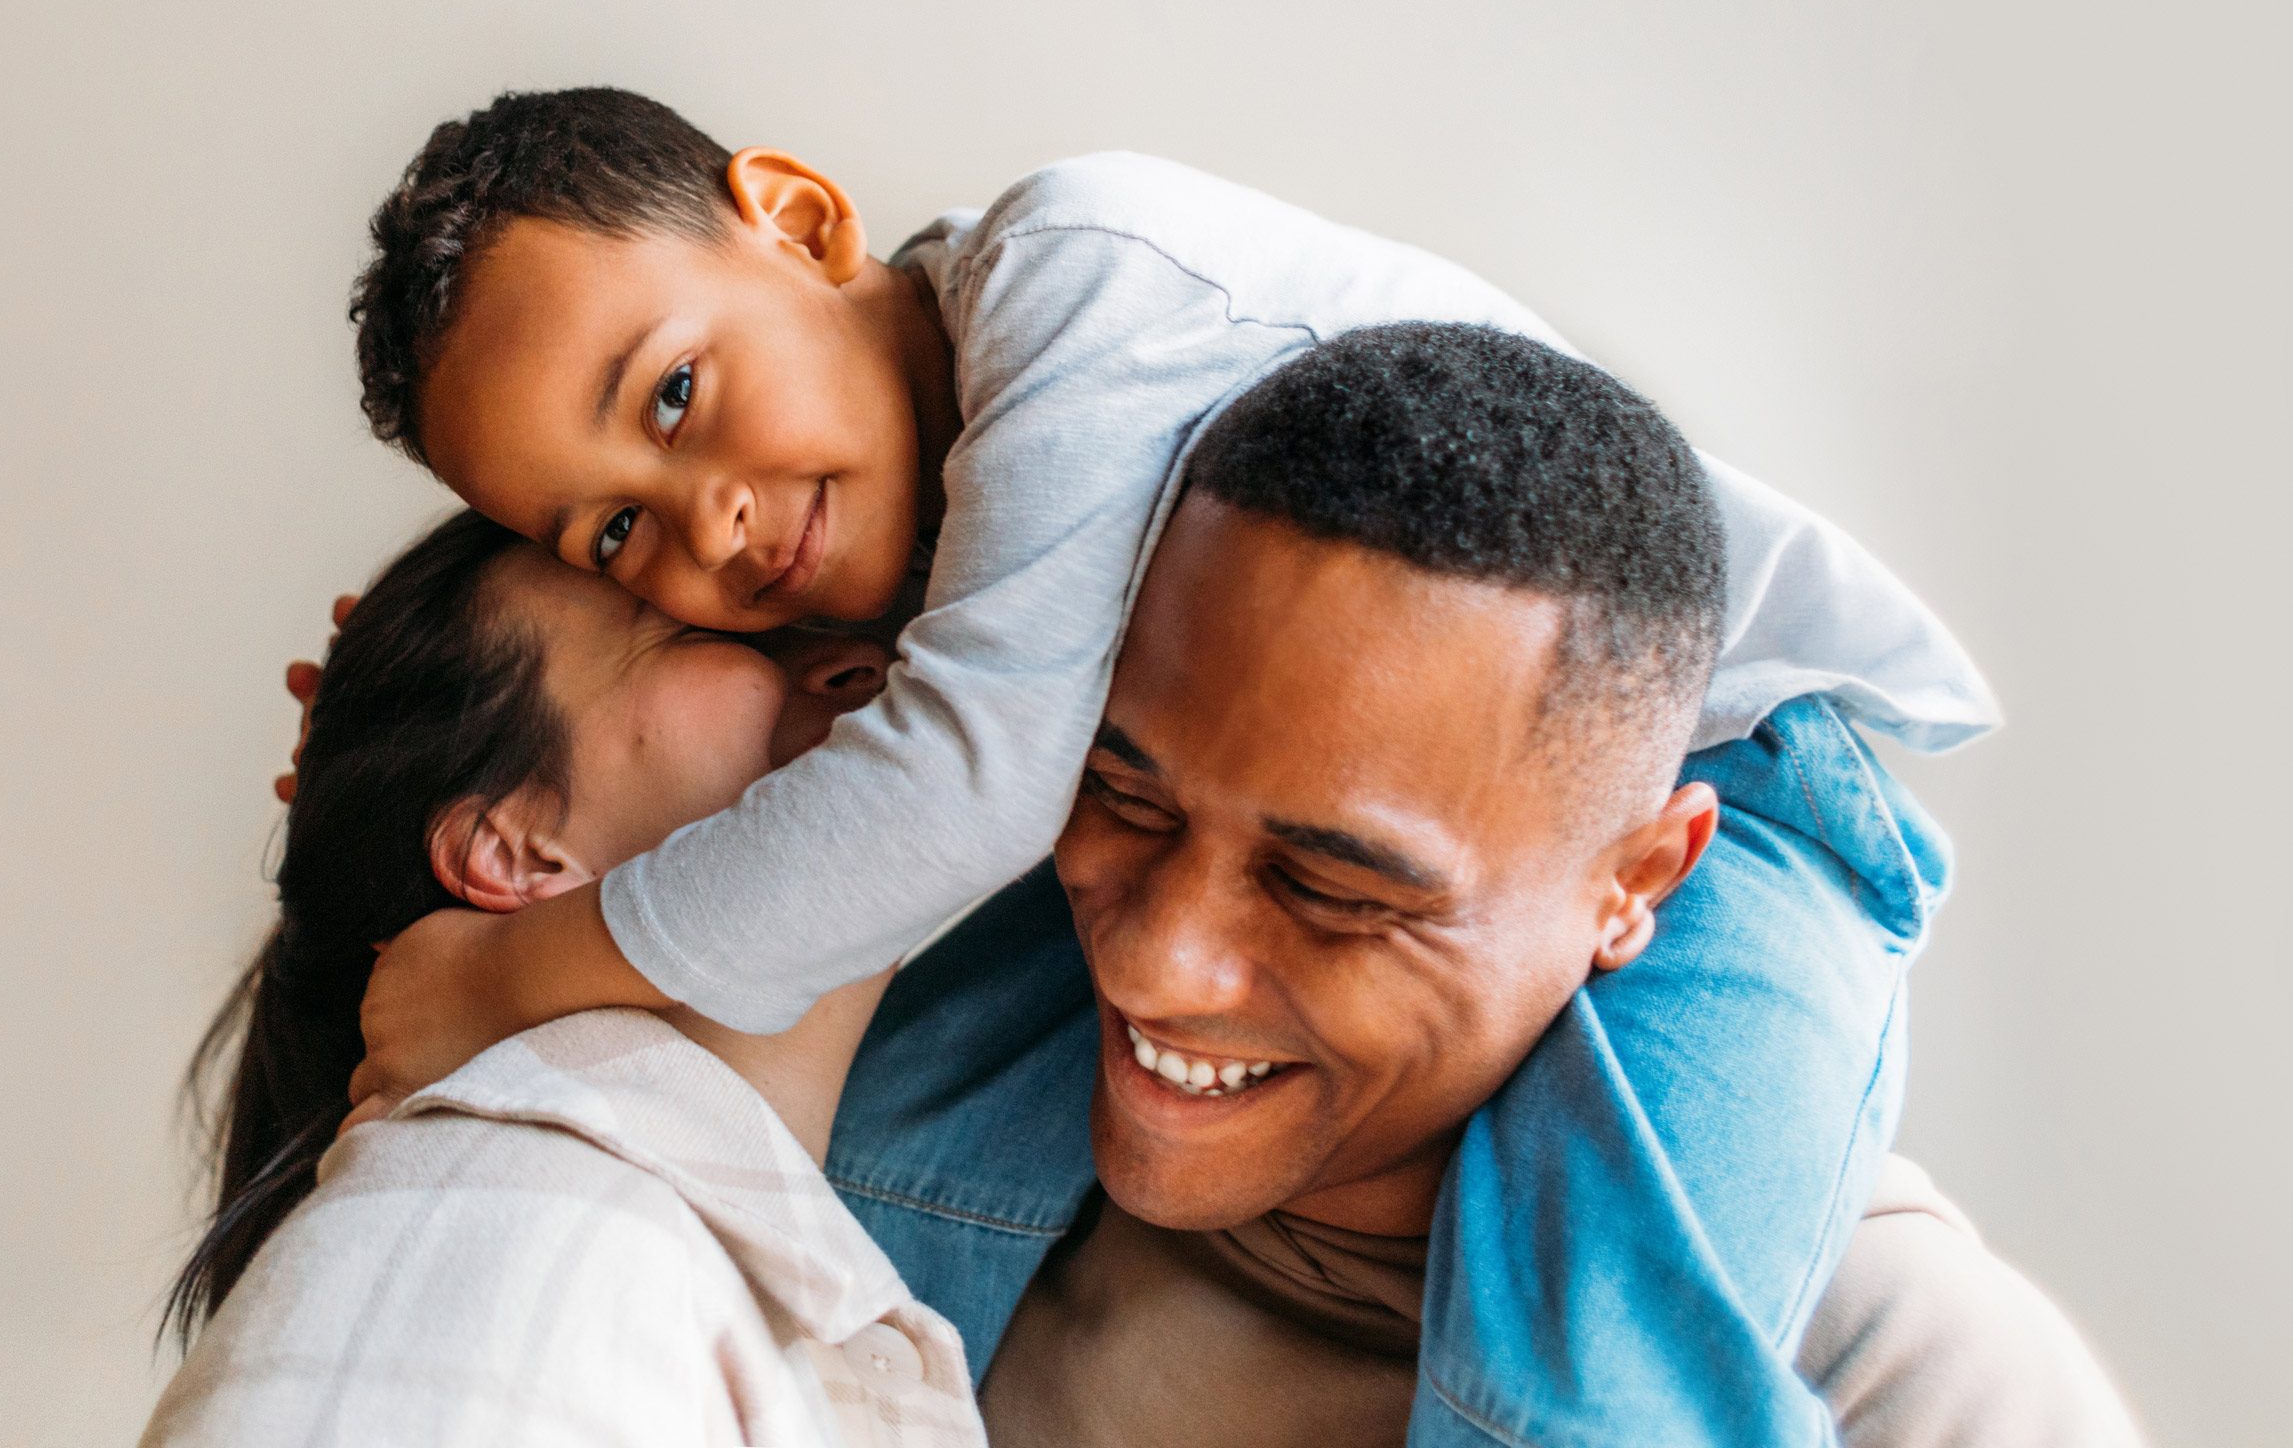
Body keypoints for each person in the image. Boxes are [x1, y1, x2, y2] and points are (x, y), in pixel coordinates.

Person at [337, 88, 1998, 1442]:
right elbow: (844, 760)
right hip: (1269, 850)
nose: (711, 522)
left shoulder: (1082, 285)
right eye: (615, 532)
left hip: (1734, 787)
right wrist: (395, 726)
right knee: (857, 1175)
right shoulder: (865, 507)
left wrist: (514, 972)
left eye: (681, 395)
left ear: (802, 217)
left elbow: (951, 786)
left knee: (1595, 1373)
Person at [971, 326, 2139, 1446]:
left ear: (1637, 882)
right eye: (1126, 800)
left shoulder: (1900, 1373)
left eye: (1330, 887)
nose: (1153, 961)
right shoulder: (919, 1143)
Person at [145, 510, 983, 1447]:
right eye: (700, 632)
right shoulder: (493, 1244)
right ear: (515, 852)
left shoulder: (688, 1259)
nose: (867, 659)